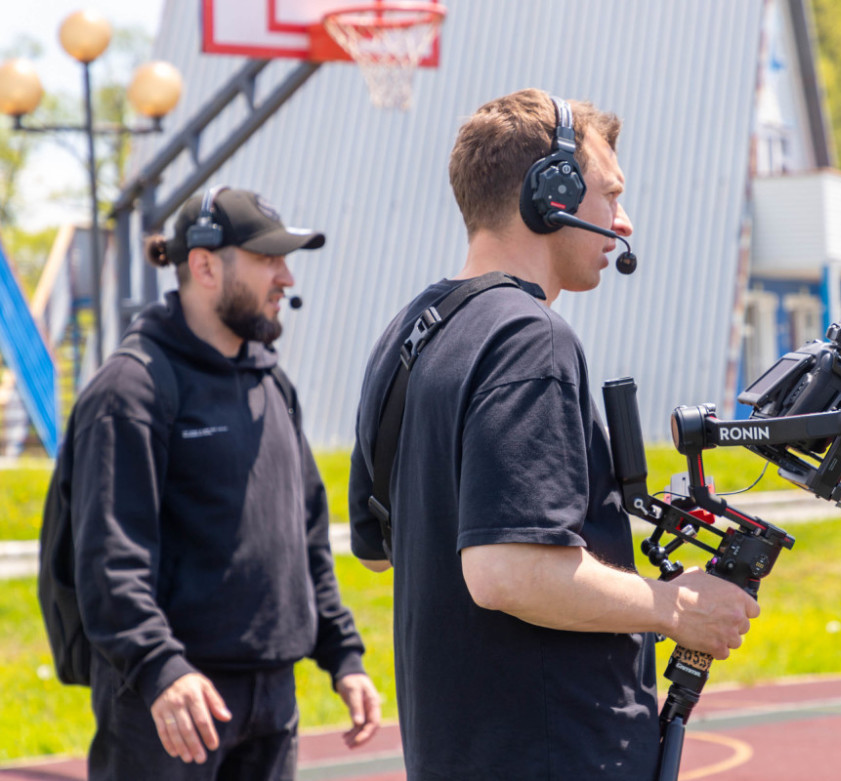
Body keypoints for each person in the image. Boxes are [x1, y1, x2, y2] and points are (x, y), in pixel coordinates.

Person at [348, 88, 760, 780]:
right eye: (610, 195)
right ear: (552, 194)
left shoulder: (412, 332)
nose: (623, 222)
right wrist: (673, 606)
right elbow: (506, 570)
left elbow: (377, 551)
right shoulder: (530, 338)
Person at [69, 187, 381, 780]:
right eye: (268, 259)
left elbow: (305, 536)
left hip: (272, 702)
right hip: (173, 705)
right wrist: (161, 669)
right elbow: (109, 560)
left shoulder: (273, 385)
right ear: (205, 265)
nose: (286, 277)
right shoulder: (130, 390)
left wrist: (344, 657)